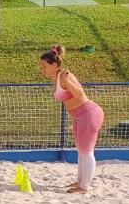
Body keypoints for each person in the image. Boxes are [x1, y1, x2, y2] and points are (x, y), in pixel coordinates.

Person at [39, 45, 105, 193]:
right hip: (80, 116)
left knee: (87, 152)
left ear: (54, 64)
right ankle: (80, 182)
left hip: (89, 115)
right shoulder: (57, 77)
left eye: (44, 66)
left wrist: (68, 82)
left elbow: (80, 94)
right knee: (82, 151)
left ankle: (84, 186)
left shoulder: (63, 76)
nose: (42, 69)